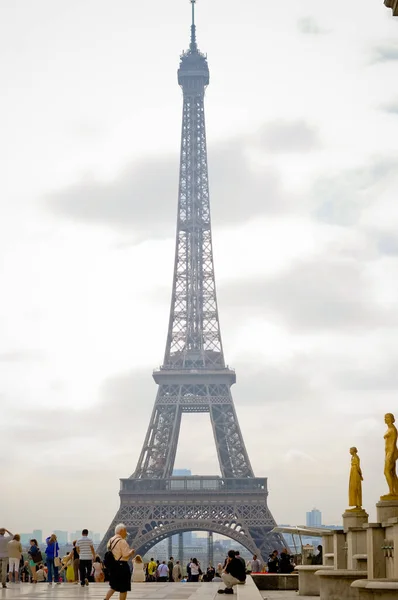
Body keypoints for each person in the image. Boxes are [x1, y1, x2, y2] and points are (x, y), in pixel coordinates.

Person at [105, 523, 135, 600]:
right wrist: (131, 552)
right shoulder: (122, 541)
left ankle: (106, 599)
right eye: (125, 531)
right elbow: (125, 555)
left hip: (113, 566)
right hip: (122, 566)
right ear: (121, 531)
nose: (126, 533)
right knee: (123, 588)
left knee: (113, 586)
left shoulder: (110, 540)